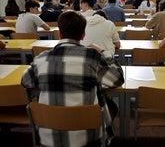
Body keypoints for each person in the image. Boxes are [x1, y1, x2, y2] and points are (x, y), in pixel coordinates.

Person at [21, 11, 124, 147]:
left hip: (48, 139)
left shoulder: (41, 58)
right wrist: (103, 52)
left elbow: (25, 81)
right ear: (83, 35)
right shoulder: (92, 57)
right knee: (110, 104)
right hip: (88, 139)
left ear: (60, 34)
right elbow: (117, 79)